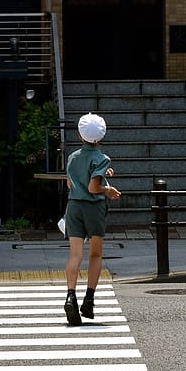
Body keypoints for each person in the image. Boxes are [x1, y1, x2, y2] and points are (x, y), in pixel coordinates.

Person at [62, 112, 120, 326]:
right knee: (95, 255)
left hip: (74, 206)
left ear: (79, 135)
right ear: (102, 136)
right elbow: (93, 187)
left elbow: (71, 184)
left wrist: (103, 174)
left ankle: (70, 295)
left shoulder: (73, 157)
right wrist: (108, 190)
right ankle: (89, 300)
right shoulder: (101, 158)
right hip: (93, 209)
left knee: (74, 254)